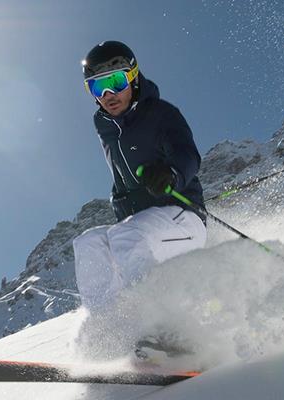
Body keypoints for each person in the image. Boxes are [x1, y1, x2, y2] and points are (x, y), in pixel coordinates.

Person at [74, 40, 207, 315]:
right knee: (87, 244)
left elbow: (188, 154)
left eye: (116, 82)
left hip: (183, 218)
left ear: (133, 78)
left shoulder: (161, 114)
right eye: (98, 87)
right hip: (140, 225)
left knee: (125, 236)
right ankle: (110, 330)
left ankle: (163, 324)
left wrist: (172, 173)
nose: (108, 93)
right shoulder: (105, 125)